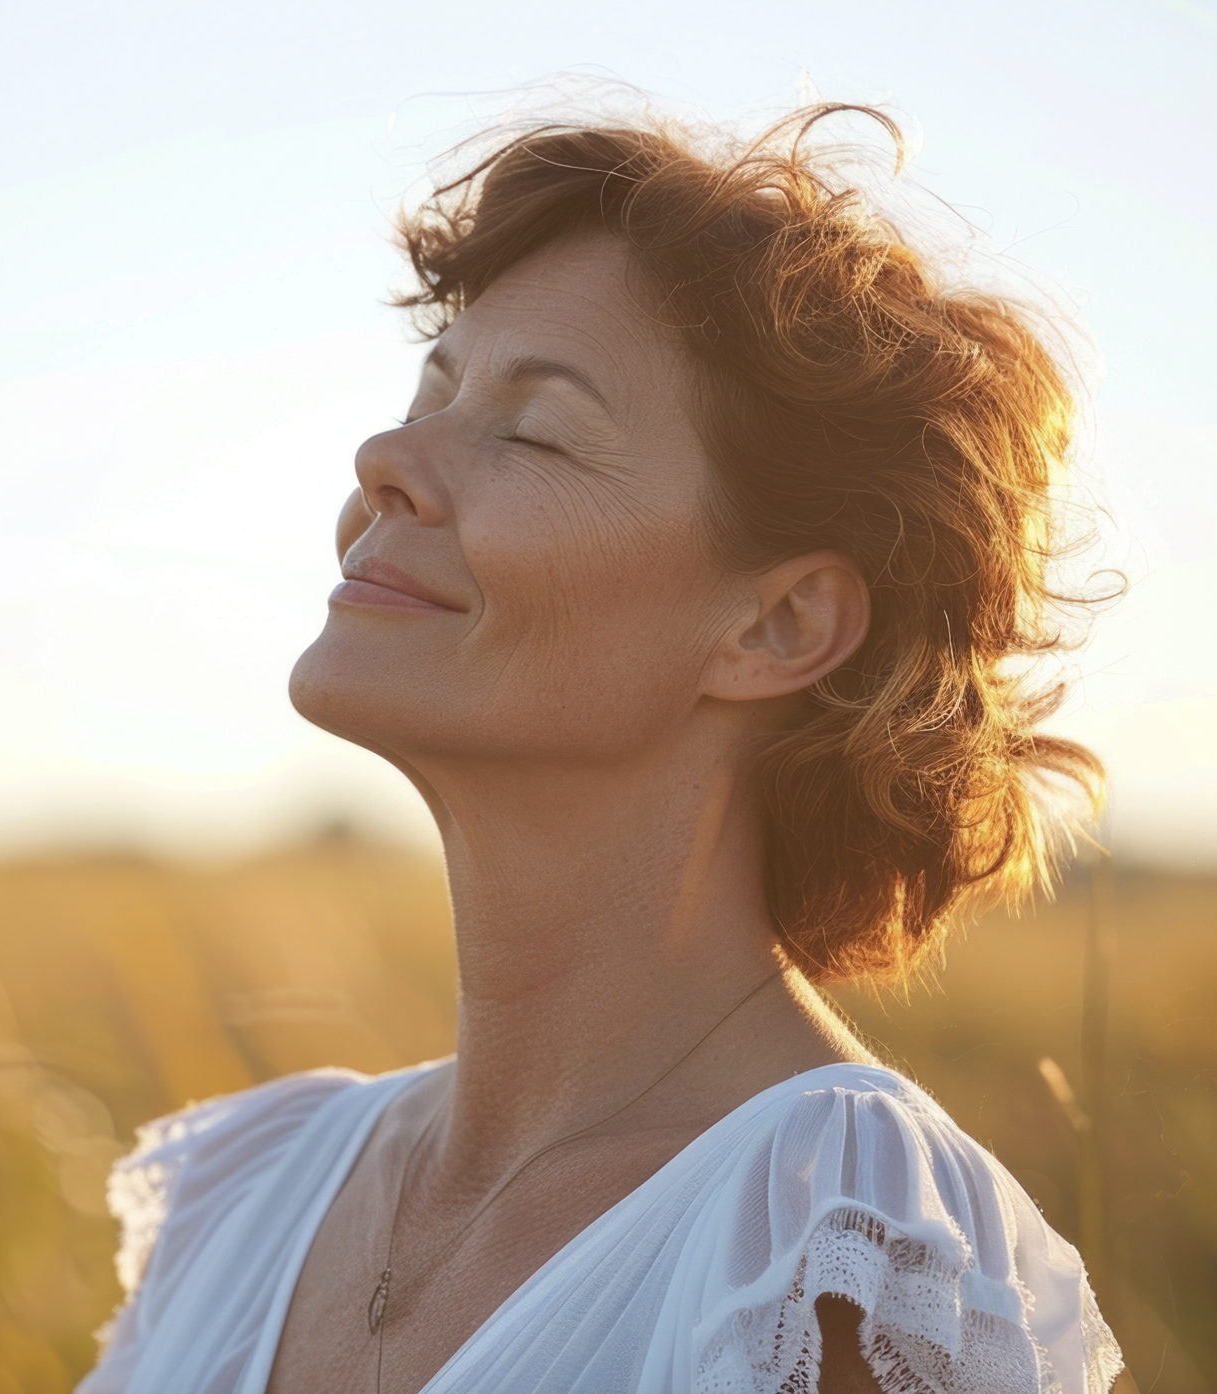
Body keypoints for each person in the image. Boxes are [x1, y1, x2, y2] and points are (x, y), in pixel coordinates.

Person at [77, 102, 1124, 1394]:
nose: (385, 459)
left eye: (533, 429)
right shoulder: (257, 1191)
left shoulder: (828, 1243)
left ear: (777, 622)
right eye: (433, 390)